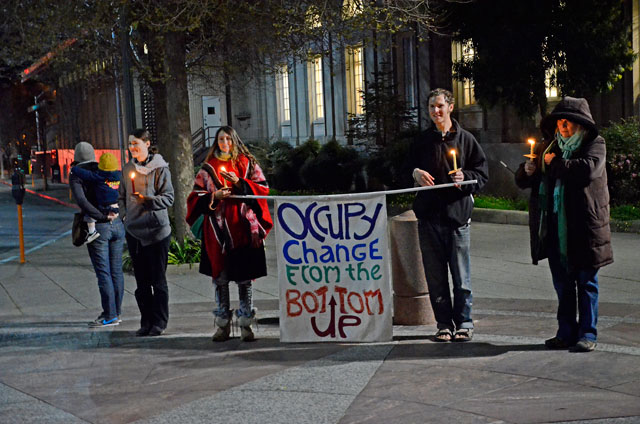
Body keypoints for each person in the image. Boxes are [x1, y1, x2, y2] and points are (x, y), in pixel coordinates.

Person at [515, 96, 613, 352]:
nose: (563, 126)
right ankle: (566, 332)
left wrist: (556, 165)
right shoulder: (550, 147)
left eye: (568, 122)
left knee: (587, 283)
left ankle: (587, 334)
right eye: (560, 122)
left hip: (585, 229)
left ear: (581, 125)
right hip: (556, 229)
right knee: (563, 285)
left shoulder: (595, 144)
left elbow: (588, 170)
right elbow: (529, 179)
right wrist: (526, 171)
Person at [406, 88, 488, 342]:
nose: (435, 111)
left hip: (457, 219)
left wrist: (467, 178)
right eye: (431, 107)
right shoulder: (422, 141)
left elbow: (482, 175)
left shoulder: (466, 140)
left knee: (461, 276)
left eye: (440, 106)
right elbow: (402, 169)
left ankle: (464, 322)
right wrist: (415, 174)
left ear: (451, 107)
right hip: (429, 217)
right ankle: (443, 323)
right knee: (435, 275)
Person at [186, 126, 273, 342]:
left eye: (228, 138)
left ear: (234, 140)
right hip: (217, 231)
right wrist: (214, 195)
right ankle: (223, 324)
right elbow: (195, 195)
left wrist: (239, 183)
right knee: (221, 278)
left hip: (243, 228)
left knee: (244, 279)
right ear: (216, 142)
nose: (224, 142)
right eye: (220, 139)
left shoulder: (247, 163)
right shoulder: (208, 168)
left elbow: (263, 187)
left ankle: (246, 324)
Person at [119, 129, 174, 337]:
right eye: (130, 144)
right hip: (135, 233)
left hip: (157, 232)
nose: (133, 148)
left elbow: (169, 198)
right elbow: (121, 197)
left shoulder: (160, 169)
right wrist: (126, 217)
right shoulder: (127, 169)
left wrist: (149, 201)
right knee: (141, 282)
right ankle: (146, 321)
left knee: (157, 280)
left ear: (147, 144)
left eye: (136, 144)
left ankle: (159, 322)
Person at [69, 142, 125, 328]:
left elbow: (82, 201)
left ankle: (109, 316)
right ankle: (116, 312)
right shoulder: (106, 170)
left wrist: (100, 216)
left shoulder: (78, 174)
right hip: (117, 224)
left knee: (103, 273)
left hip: (99, 227)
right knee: (116, 271)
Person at [71, 152, 122, 244]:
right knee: (116, 258)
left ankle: (92, 232)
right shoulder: (119, 175)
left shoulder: (99, 176)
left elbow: (86, 174)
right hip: (116, 207)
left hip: (104, 207)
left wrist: (74, 169)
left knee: (89, 214)